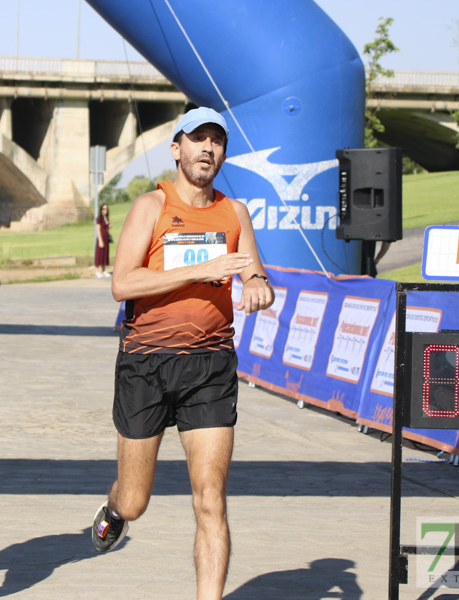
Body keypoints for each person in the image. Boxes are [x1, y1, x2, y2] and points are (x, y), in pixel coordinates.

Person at [90, 107, 274, 600]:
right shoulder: (152, 207)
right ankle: (113, 510)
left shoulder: (234, 213)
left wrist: (257, 285)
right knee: (135, 500)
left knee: (210, 499)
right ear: (177, 148)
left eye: (217, 141)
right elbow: (123, 283)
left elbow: (255, 273)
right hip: (146, 362)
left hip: (210, 366)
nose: (208, 149)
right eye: (198, 139)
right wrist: (201, 269)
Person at [94, 203, 111, 278]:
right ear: (101, 210)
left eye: (106, 208)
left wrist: (108, 226)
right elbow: (98, 229)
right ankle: (97, 271)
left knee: (105, 254)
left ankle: (103, 270)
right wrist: (100, 240)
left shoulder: (106, 218)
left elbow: (105, 228)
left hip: (106, 238)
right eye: (104, 209)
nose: (105, 210)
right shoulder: (99, 219)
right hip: (101, 238)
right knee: (99, 254)